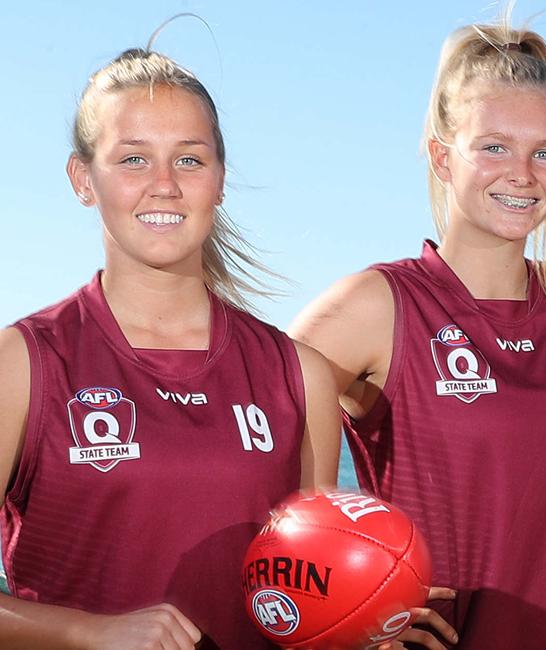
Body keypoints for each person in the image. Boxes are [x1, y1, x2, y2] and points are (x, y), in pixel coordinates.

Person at [289, 18, 546, 650]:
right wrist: (338, 591)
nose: (522, 174)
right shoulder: (379, 305)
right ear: (442, 155)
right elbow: (259, 426)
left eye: (545, 152)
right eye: (495, 147)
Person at [0, 46, 344, 649]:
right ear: (84, 179)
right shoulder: (25, 365)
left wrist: (367, 615)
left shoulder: (298, 374)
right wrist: (86, 633)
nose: (164, 185)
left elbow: (312, 595)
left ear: (219, 180)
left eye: (189, 159)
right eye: (134, 159)